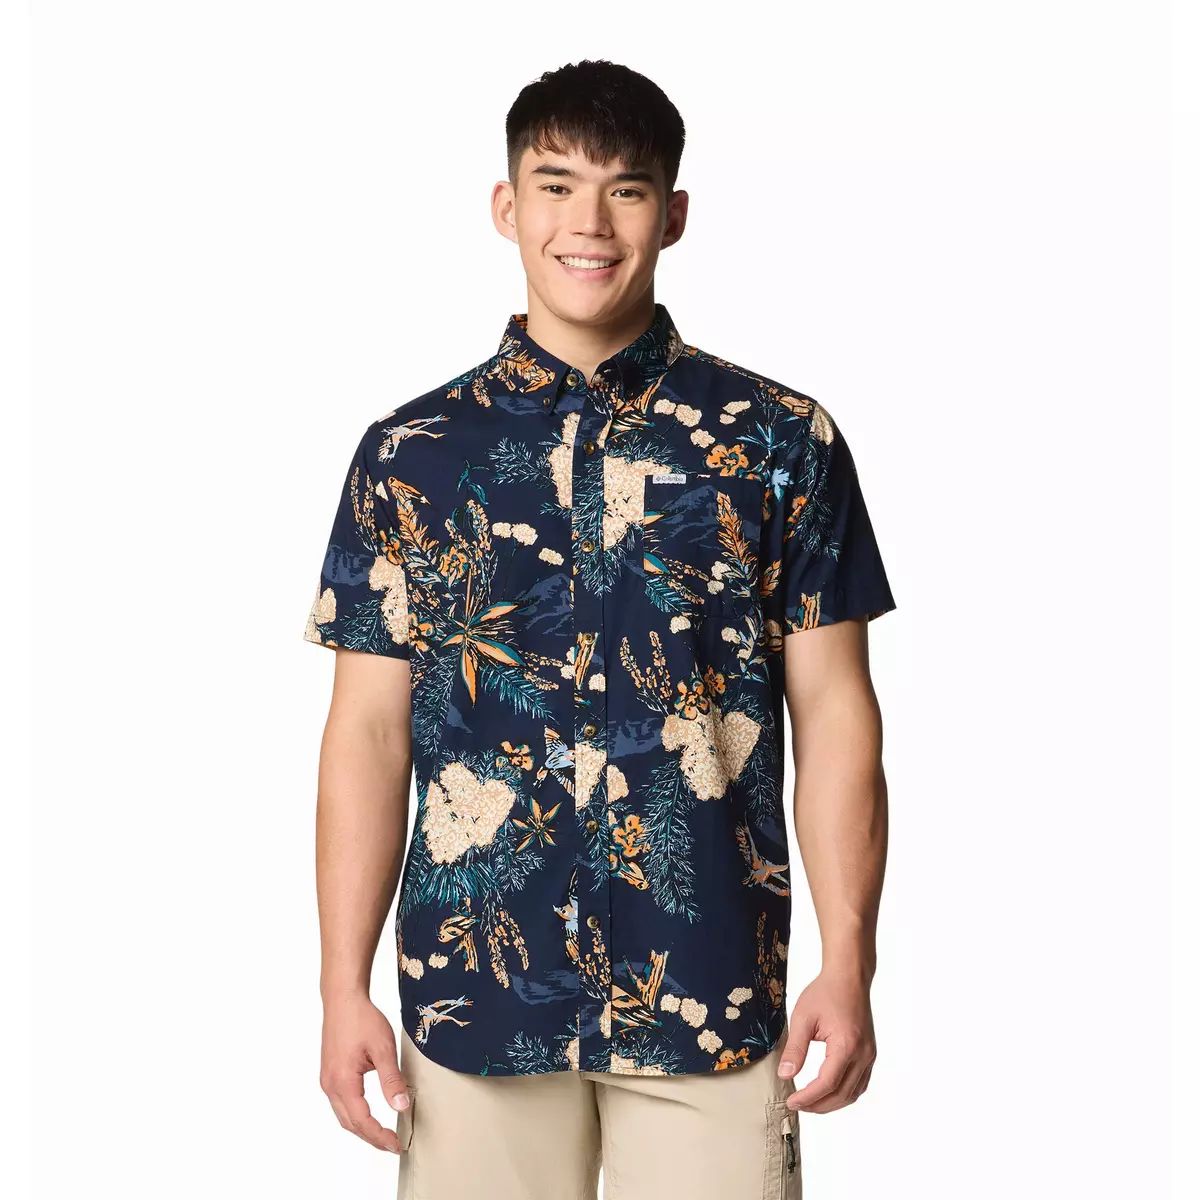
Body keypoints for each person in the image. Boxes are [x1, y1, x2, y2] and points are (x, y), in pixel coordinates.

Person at [303, 58, 896, 1200]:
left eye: (626, 190)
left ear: (672, 214)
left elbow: (836, 712)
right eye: (556, 185)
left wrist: (851, 960)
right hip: (475, 1000)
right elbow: (367, 735)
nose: (589, 223)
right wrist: (341, 988)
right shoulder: (411, 456)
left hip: (711, 988)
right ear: (505, 206)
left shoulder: (779, 441)